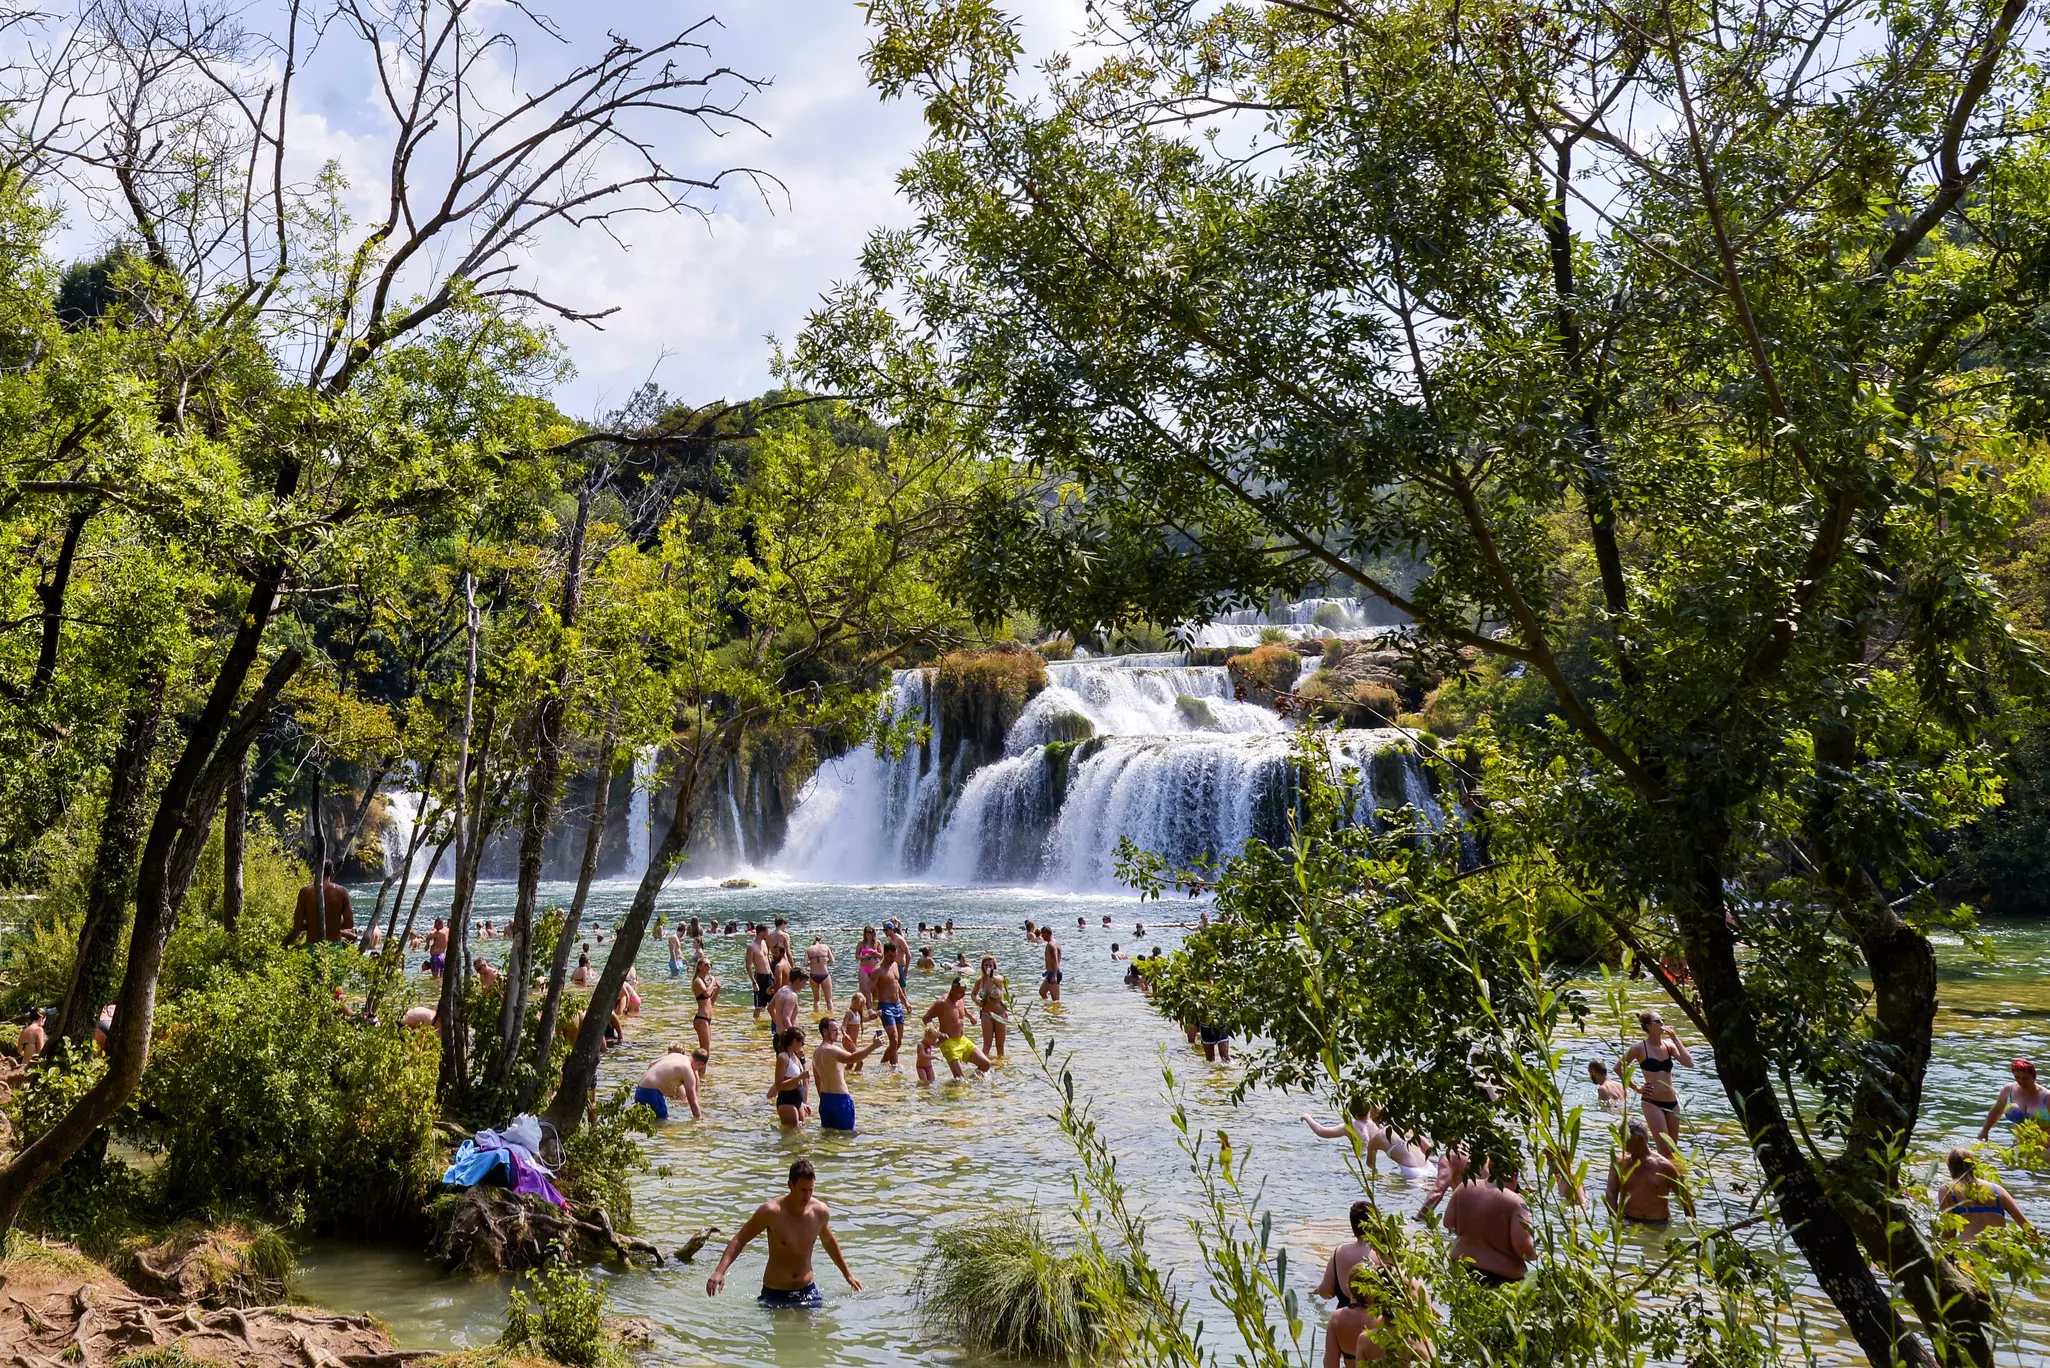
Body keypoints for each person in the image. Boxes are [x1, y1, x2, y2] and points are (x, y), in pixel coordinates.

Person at [705, 1159, 861, 1308]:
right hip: (774, 1293)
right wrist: (719, 1272)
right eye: (802, 1190)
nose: (807, 1196)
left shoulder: (820, 1212)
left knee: (812, 1334)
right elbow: (740, 1239)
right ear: (790, 1185)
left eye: (811, 1190)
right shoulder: (771, 1212)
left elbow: (828, 1241)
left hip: (807, 1290)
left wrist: (847, 1274)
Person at [1314, 1201, 1382, 1368]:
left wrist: (1315, 1290)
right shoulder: (1383, 1255)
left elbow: (1327, 1291)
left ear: (1353, 1225)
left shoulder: (1339, 1252)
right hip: (1376, 1320)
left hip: (1346, 1322)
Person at [1443, 1166, 1534, 1286]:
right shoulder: (1515, 1202)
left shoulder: (1464, 1186)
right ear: (1514, 1176)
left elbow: (1448, 1223)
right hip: (1500, 1279)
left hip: (1461, 1267)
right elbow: (1523, 1248)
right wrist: (1537, 1254)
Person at [1619, 1009, 1693, 1151]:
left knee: (1673, 1150)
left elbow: (1689, 1063)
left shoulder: (1669, 1046)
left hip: (1672, 1103)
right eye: (1657, 1021)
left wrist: (1675, 1039)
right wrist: (1637, 1088)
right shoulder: (1639, 1048)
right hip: (1652, 1103)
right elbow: (1619, 1067)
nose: (1662, 1024)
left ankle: (1672, 1173)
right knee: (1665, 1149)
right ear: (1648, 1026)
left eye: (1662, 1020)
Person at [1605, 1117, 1691, 1224]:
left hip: (1658, 1225)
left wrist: (1692, 1228)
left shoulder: (1664, 1167)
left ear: (1640, 1139)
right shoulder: (1619, 1163)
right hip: (1629, 1221)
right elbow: (1611, 1193)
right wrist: (1616, 1222)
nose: (1621, 1143)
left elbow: (1686, 1199)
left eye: (1625, 1139)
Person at [1939, 1147, 2032, 1241]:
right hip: (2000, 1248)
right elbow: (2027, 1227)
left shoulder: (1947, 1189)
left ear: (1950, 1167)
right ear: (1974, 1165)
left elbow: (1950, 1232)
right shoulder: (1998, 1190)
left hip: (1969, 1249)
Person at [1301, 1111, 1432, 1178]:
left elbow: (1321, 1131)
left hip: (1410, 1171)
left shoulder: (1350, 1127)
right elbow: (1428, 1147)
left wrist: (1308, 1117)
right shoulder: (1397, 1126)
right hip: (1428, 1166)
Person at [813, 1017, 884, 1132]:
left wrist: (824, 1101)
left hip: (825, 1100)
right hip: (840, 1099)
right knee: (846, 1136)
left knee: (827, 1136)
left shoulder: (816, 1053)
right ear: (825, 1032)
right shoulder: (831, 1050)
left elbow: (817, 1081)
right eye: (834, 1030)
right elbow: (852, 1058)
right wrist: (873, 1046)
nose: (837, 1033)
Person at [923, 979, 993, 1078]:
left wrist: (970, 1017)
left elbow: (963, 1008)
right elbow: (926, 1018)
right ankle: (955, 1089)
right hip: (948, 1043)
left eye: (965, 991)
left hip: (962, 1040)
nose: (963, 995)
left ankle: (971, 1083)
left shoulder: (960, 998)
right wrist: (937, 1033)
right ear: (953, 988)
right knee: (959, 1078)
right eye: (961, 992)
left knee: (986, 1064)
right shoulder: (942, 1003)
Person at [1978, 1058, 2050, 1140]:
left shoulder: (2047, 1097)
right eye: (2017, 1077)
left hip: (2046, 1147)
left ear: (2034, 1077)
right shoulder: (2009, 1090)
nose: (2021, 1081)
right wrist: (1985, 1131)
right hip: (2019, 1144)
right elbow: (1996, 1111)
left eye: (2025, 1078)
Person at [633, 1043, 705, 1122]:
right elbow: (693, 1102)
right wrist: (699, 1120)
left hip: (639, 1089)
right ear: (701, 1064)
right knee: (661, 1125)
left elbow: (652, 1063)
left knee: (641, 1122)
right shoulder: (687, 1069)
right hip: (652, 1093)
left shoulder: (676, 1056)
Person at [291, 860, 355, 944]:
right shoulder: (342, 892)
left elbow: (297, 925)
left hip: (312, 944)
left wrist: (312, 926)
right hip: (334, 944)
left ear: (314, 871)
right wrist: (333, 926)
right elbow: (349, 924)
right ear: (332, 872)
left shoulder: (305, 892)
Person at [767, 1027, 811, 1128]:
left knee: (800, 1133)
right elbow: (778, 1085)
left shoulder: (795, 1057)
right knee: (791, 1135)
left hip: (797, 1100)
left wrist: (803, 1103)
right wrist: (799, 1077)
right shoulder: (783, 1057)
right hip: (787, 1101)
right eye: (802, 1043)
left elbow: (804, 1079)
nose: (803, 1045)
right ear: (795, 1041)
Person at [873, 949, 909, 1066]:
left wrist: (905, 1002)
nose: (892, 959)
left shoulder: (895, 965)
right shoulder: (878, 970)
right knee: (894, 1041)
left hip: (897, 1005)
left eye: (894, 956)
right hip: (885, 1006)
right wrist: (870, 1008)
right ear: (884, 954)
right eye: (889, 956)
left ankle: (894, 1066)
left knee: (898, 1042)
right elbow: (868, 989)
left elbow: (896, 985)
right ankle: (882, 1064)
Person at [974, 956, 1010, 1060]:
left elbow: (1002, 982)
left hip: (1000, 1014)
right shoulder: (980, 981)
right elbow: (973, 994)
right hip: (986, 1014)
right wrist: (977, 1002)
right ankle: (983, 1066)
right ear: (982, 966)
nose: (988, 967)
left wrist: (992, 977)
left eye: (990, 965)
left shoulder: (998, 979)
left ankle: (1000, 1067)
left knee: (1000, 1045)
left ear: (994, 966)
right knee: (987, 1045)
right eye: (986, 965)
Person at [692, 953, 722, 1053]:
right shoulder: (698, 981)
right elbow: (707, 993)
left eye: (710, 965)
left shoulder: (704, 982)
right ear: (700, 967)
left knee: (706, 1052)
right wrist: (713, 982)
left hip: (707, 1019)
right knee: (705, 1052)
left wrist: (718, 989)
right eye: (706, 964)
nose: (709, 966)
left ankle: (698, 1068)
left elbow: (710, 1002)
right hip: (701, 1019)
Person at [746, 926, 776, 1020]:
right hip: (759, 977)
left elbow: (768, 959)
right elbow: (748, 965)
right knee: (759, 1007)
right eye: (766, 932)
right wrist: (754, 982)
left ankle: (774, 1022)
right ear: (761, 932)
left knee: (773, 1003)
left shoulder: (764, 943)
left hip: (769, 976)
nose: (768, 934)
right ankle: (756, 1025)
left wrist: (772, 974)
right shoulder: (752, 947)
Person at [805, 935, 836, 1013]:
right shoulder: (825, 947)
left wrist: (812, 964)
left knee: (816, 1000)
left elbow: (805, 963)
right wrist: (824, 964)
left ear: (813, 942)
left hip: (813, 975)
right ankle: (831, 1015)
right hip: (824, 974)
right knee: (829, 1000)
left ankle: (816, 1016)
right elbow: (832, 960)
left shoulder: (808, 949)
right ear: (821, 941)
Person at [768, 975, 802, 1042]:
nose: (804, 986)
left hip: (778, 1035)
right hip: (787, 1038)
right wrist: (795, 1037)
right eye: (803, 983)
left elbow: (770, 1007)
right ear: (798, 981)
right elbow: (786, 1018)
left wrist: (778, 1023)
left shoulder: (781, 990)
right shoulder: (792, 995)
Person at [855, 925, 883, 1001]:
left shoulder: (877, 943)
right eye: (866, 932)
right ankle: (864, 1008)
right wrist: (865, 956)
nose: (868, 934)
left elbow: (881, 957)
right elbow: (857, 956)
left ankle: (874, 1009)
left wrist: (875, 953)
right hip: (864, 968)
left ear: (873, 933)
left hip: (875, 968)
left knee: (876, 992)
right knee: (864, 991)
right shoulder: (861, 943)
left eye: (870, 932)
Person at [1039, 925, 1063, 1002]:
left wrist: (1054, 976)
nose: (1042, 936)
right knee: (1042, 992)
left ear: (1046, 933)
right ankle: (1048, 1009)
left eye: (1042, 934)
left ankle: (1056, 1013)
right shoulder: (1053, 943)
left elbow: (1055, 959)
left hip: (1054, 973)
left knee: (1055, 1001)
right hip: (1050, 973)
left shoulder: (1051, 945)